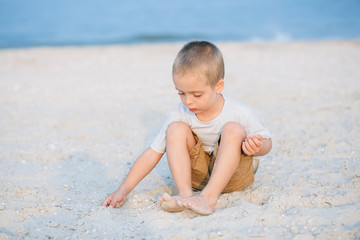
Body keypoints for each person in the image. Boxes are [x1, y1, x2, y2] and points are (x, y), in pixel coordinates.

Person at [103, 40, 272, 215]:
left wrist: (258, 147)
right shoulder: (181, 112)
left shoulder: (240, 111)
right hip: (196, 180)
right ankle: (185, 194)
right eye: (181, 93)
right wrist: (123, 189)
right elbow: (152, 153)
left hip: (233, 177)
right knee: (175, 129)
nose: (188, 101)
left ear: (218, 86)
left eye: (196, 94)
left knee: (233, 130)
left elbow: (267, 143)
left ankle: (208, 198)